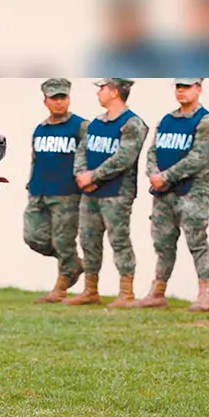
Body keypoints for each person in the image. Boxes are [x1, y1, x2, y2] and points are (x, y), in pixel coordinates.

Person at [134, 78, 209, 312]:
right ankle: (158, 291)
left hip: (193, 192)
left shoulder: (207, 122)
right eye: (178, 86)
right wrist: (154, 175)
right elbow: (152, 151)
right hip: (163, 194)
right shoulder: (166, 120)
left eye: (187, 86)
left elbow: (198, 158)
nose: (181, 91)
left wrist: (166, 177)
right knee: (162, 244)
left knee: (197, 242)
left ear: (199, 89)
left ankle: (205, 293)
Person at [65, 78, 148, 307]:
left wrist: (94, 176)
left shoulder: (132, 124)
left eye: (102, 88)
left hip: (117, 193)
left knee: (119, 241)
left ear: (114, 91)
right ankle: (90, 290)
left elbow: (124, 158)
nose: (98, 93)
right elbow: (82, 150)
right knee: (88, 240)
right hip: (90, 193)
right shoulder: (96, 123)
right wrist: (82, 175)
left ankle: (126, 293)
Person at [24, 78, 89, 303]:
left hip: (67, 194)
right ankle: (73, 264)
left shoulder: (81, 126)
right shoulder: (40, 129)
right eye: (54, 98)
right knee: (33, 237)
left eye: (63, 98)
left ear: (69, 99)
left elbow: (89, 159)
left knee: (64, 241)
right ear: (46, 101)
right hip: (38, 191)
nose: (59, 102)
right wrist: (30, 185)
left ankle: (60, 289)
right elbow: (35, 159)